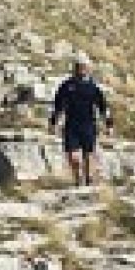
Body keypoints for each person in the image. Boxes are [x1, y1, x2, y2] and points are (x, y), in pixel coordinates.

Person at [49, 54, 113, 186]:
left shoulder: (94, 88)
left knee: (88, 154)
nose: (82, 69)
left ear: (88, 68)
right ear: (75, 68)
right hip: (71, 125)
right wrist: (54, 122)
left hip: (89, 125)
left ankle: (88, 179)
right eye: (79, 66)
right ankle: (78, 179)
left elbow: (103, 107)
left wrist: (109, 125)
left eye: (84, 66)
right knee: (74, 157)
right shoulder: (66, 86)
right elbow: (58, 105)